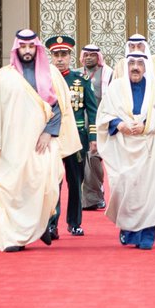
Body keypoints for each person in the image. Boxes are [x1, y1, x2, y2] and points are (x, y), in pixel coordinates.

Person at [0, 29, 80, 252]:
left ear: (37, 48)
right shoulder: (5, 76)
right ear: (16, 49)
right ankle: (14, 238)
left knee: (46, 184)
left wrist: (49, 132)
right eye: (22, 47)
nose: (27, 51)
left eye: (31, 47)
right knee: (15, 189)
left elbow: (59, 107)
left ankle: (41, 224)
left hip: (43, 142)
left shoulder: (51, 73)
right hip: (13, 144)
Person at [99, 52, 155, 249]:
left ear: (146, 67)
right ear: (126, 66)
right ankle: (129, 230)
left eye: (139, 64)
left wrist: (146, 125)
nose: (135, 67)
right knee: (125, 187)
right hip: (123, 148)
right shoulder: (115, 88)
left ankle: (147, 237)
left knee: (150, 192)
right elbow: (104, 114)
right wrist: (119, 125)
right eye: (131, 63)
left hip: (149, 146)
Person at [47, 35, 97, 237]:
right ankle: (52, 223)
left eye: (64, 54)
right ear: (51, 57)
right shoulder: (46, 81)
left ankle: (74, 222)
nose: (60, 59)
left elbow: (92, 110)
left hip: (76, 138)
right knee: (53, 183)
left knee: (75, 182)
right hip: (54, 137)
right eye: (56, 55)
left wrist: (93, 137)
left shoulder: (81, 80)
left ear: (70, 57)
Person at [79, 44, 112, 211]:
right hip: (79, 124)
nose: (89, 58)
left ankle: (96, 194)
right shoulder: (77, 74)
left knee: (93, 158)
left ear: (98, 57)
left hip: (99, 123)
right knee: (81, 161)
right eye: (86, 55)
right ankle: (89, 199)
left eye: (93, 55)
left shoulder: (108, 74)